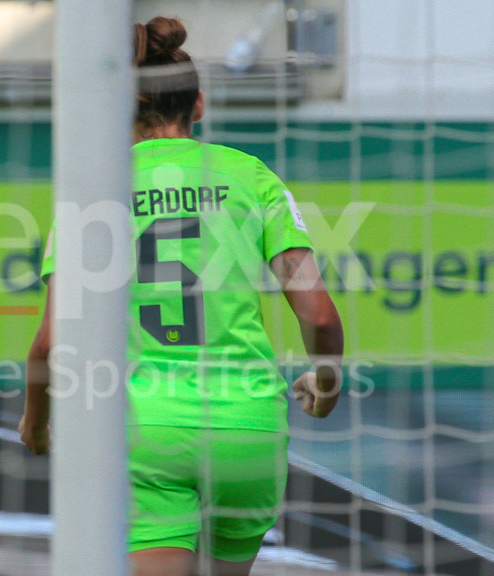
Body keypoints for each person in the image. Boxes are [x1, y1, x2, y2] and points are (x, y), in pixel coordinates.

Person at [18, 16, 344, 576]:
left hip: (147, 430)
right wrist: (327, 380)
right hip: (248, 426)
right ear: (197, 107)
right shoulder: (251, 177)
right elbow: (318, 316)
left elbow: (51, 344)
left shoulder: (93, 189)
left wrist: (35, 422)